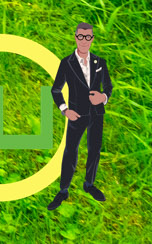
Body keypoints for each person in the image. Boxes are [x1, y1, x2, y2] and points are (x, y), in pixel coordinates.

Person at [48, 22, 112, 210]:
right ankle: (63, 190)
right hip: (76, 114)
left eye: (88, 37)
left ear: (92, 39)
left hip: (97, 113)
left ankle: (89, 184)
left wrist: (104, 97)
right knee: (70, 151)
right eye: (81, 37)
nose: (84, 41)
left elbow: (108, 86)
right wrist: (65, 109)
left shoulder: (100, 63)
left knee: (94, 149)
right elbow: (56, 89)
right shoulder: (67, 63)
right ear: (76, 37)